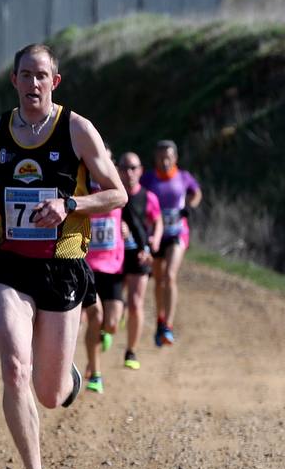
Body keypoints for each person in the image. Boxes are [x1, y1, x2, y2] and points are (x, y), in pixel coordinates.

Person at [0, 43, 124, 469]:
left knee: (50, 394)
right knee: (14, 367)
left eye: (42, 75)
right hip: (10, 263)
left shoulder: (77, 129)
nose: (33, 83)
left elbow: (117, 194)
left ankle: (66, 378)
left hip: (62, 265)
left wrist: (69, 205)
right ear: (13, 80)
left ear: (54, 82)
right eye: (25, 75)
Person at [140, 140, 202, 346]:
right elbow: (138, 196)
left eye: (168, 157)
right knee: (158, 281)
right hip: (157, 234)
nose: (164, 161)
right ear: (155, 159)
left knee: (170, 275)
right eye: (160, 158)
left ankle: (169, 325)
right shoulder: (148, 179)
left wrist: (190, 207)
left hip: (178, 233)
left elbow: (197, 192)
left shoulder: (184, 177)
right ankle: (160, 318)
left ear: (175, 158)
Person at [81, 159, 126, 394]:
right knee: (95, 316)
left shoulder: (117, 191)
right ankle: (96, 373)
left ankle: (103, 338)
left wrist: (131, 234)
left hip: (114, 268)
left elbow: (134, 216)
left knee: (111, 325)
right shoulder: (82, 190)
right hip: (88, 267)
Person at [117, 151, 162, 370]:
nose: (129, 172)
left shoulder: (148, 197)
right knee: (113, 306)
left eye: (133, 168)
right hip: (111, 256)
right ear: (117, 170)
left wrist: (154, 240)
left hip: (138, 255)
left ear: (141, 171)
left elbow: (157, 220)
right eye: (125, 167)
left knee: (136, 303)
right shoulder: (110, 196)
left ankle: (131, 351)